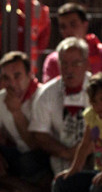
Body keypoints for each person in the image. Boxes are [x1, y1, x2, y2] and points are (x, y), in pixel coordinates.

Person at [39, 72, 102, 192]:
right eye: (95, 101)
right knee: (61, 182)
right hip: (98, 173)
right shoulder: (92, 115)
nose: (99, 105)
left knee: (97, 186)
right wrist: (74, 169)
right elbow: (85, 145)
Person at [0, 51, 49, 192]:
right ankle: (25, 189)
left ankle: (32, 191)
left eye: (17, 76)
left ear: (29, 74)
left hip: (40, 154)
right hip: (16, 153)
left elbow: (34, 145)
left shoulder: (43, 96)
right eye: (6, 78)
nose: (12, 83)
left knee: (30, 161)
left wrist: (16, 112)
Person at [30, 37, 91, 176]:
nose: (69, 69)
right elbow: (39, 134)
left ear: (86, 64)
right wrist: (66, 153)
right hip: (59, 155)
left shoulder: (98, 89)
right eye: (64, 63)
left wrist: (83, 151)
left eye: (75, 63)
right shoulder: (46, 93)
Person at [42, 2, 102, 81]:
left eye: (73, 24)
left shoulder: (99, 53)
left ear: (85, 25)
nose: (68, 31)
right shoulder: (53, 60)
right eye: (63, 27)